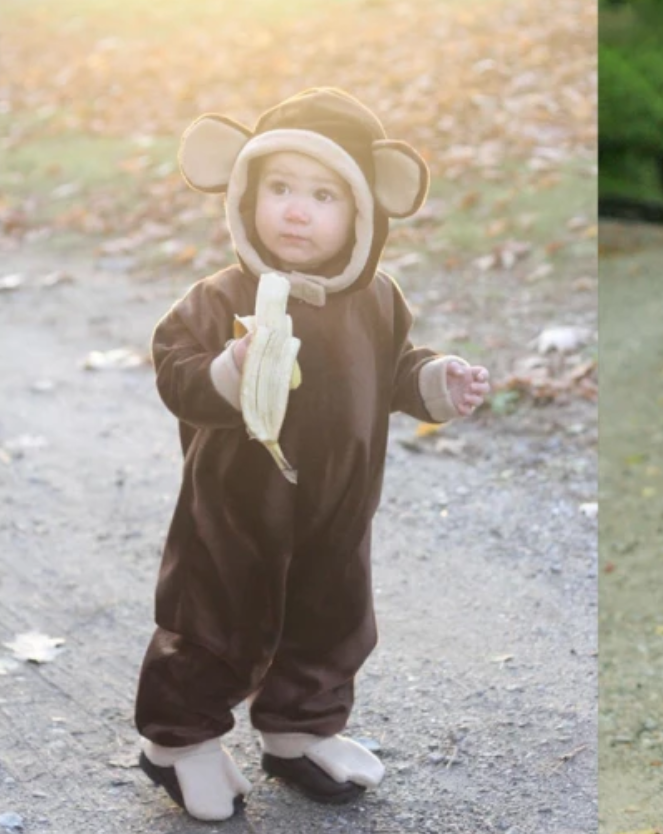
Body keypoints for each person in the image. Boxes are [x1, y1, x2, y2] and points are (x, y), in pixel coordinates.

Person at [134, 87, 490, 821]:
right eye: (280, 189)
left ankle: (300, 729)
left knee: (332, 620)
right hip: (233, 513)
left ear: (363, 212)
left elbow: (392, 368)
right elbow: (176, 371)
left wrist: (436, 383)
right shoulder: (219, 296)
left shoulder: (378, 300)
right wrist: (229, 370)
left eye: (324, 194)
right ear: (245, 191)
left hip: (337, 509)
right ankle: (178, 741)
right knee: (213, 622)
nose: (297, 210)